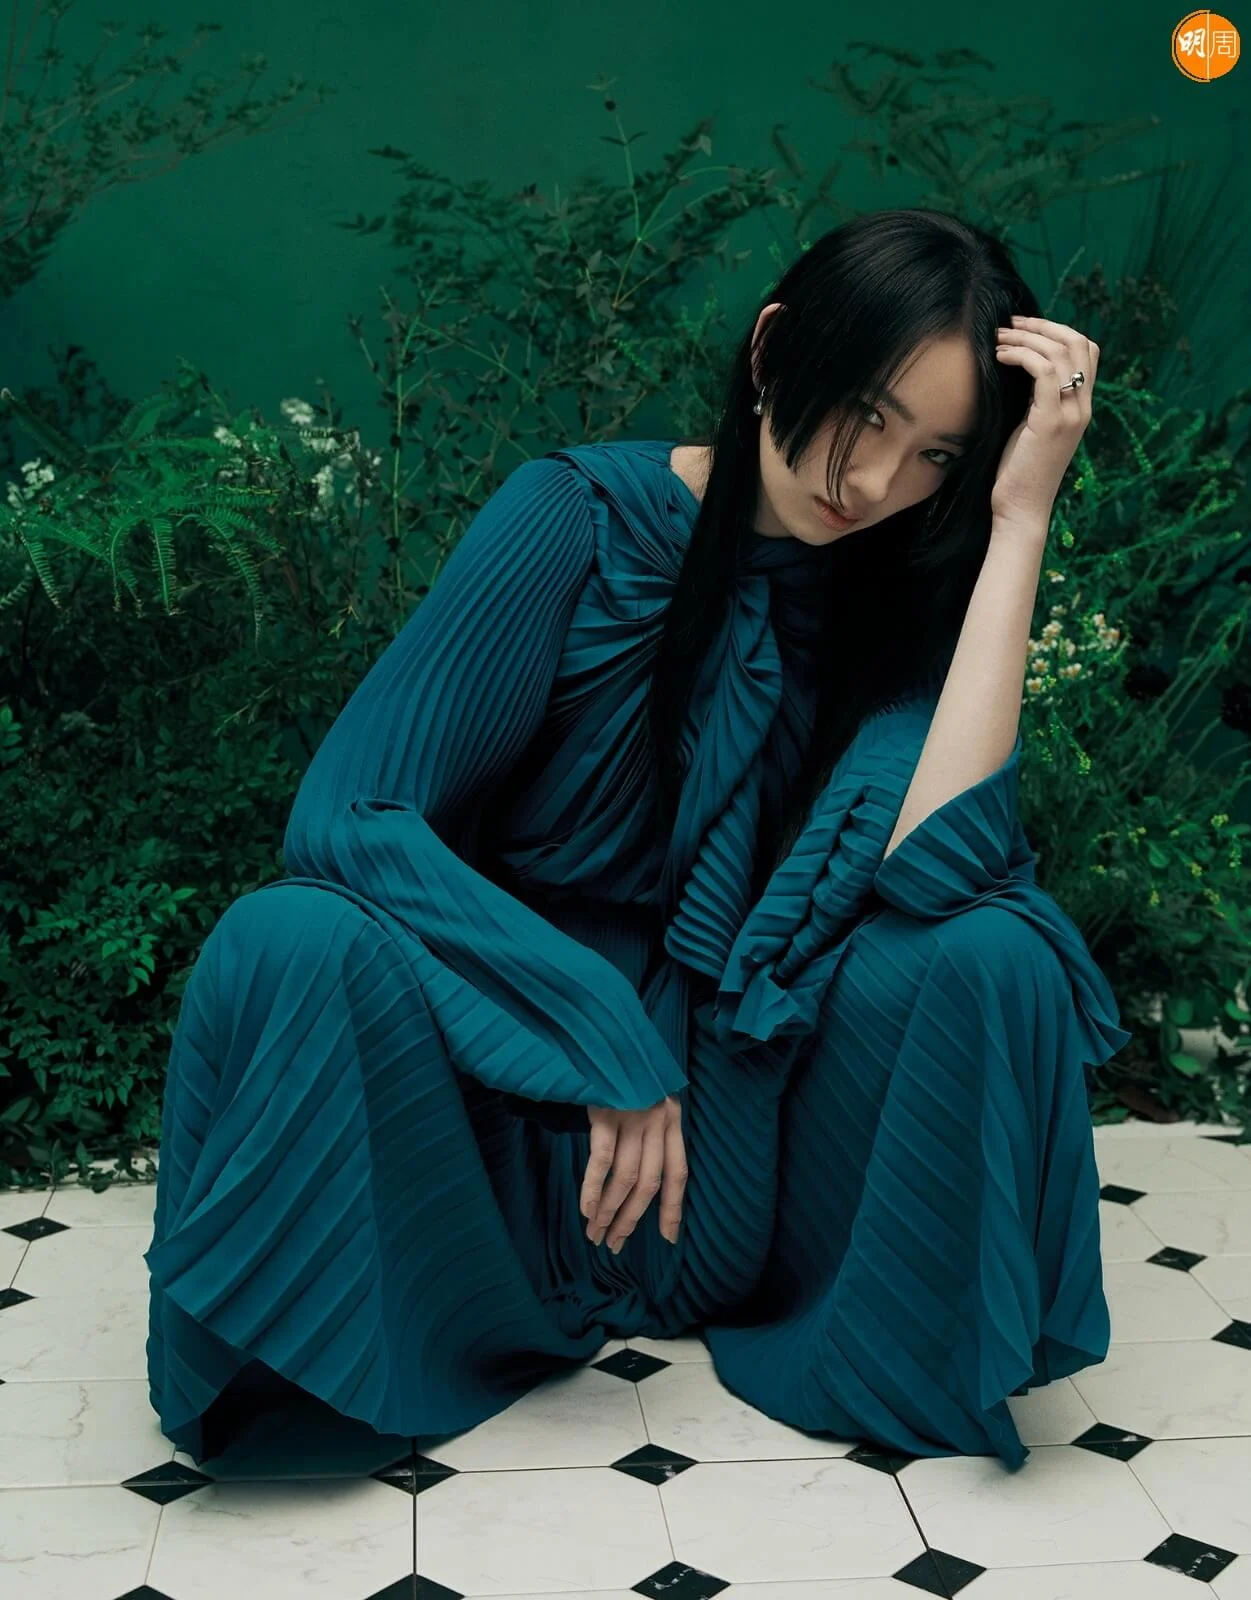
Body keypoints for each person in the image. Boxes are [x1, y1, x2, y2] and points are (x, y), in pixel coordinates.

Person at [144, 207, 1128, 1474]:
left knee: (996, 952)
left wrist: (1020, 518)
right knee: (283, 935)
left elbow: (934, 866)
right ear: (772, 352)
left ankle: (885, 1342)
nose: (875, 484)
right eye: (866, 414)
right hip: (516, 1094)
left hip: (745, 1140)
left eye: (935, 454)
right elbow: (347, 813)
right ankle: (339, 1348)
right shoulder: (579, 517)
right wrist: (598, 1028)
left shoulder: (901, 589)